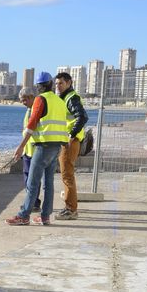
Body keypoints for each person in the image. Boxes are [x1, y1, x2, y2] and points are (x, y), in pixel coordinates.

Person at [6, 71, 68, 226]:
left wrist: (21, 146)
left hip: (43, 146)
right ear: (51, 84)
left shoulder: (41, 99)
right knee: (48, 184)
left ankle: (23, 215)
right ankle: (45, 216)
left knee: (32, 183)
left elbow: (32, 124)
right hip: (56, 146)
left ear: (38, 87)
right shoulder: (60, 101)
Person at [54, 72, 88, 221]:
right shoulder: (64, 98)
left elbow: (82, 117)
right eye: (56, 84)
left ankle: (71, 209)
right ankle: (70, 207)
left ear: (69, 83)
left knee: (67, 175)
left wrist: (71, 135)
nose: (58, 86)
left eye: (60, 83)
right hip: (67, 141)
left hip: (70, 142)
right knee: (66, 175)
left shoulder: (71, 98)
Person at [17, 86, 42, 212]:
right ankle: (31, 201)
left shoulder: (36, 110)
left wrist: (21, 147)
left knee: (33, 180)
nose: (23, 103)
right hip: (28, 150)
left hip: (34, 150)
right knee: (28, 179)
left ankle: (34, 203)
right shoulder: (29, 110)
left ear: (31, 97)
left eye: (24, 100)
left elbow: (32, 130)